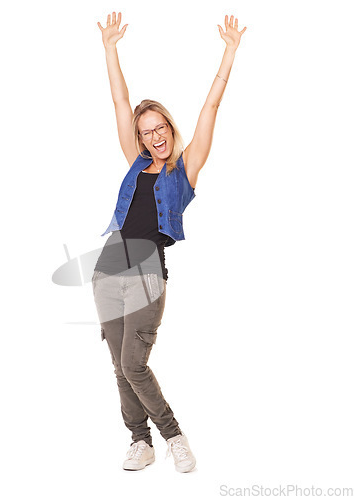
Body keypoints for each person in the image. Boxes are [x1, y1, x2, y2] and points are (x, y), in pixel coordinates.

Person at [93, 11, 247, 473]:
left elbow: (210, 110)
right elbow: (121, 102)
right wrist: (110, 48)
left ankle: (173, 435)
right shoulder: (135, 164)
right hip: (107, 270)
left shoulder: (185, 170)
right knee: (120, 367)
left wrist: (230, 52)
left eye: (161, 128)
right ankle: (140, 442)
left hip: (146, 277)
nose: (155, 136)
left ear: (170, 129)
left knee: (134, 363)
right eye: (147, 132)